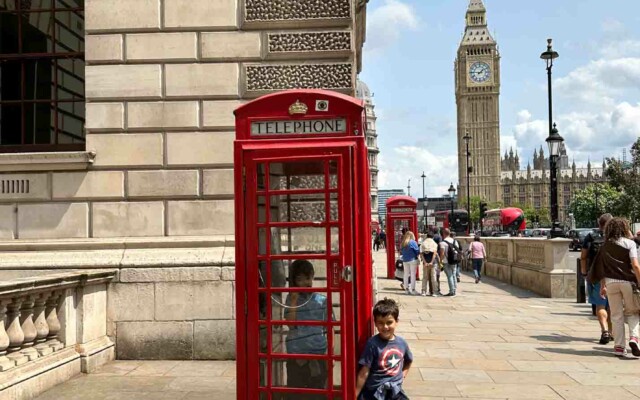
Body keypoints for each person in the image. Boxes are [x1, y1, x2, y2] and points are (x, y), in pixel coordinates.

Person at [589, 217, 640, 357]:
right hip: (628, 282)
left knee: (616, 315)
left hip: (611, 283)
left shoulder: (604, 246)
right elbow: (635, 265)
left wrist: (602, 286)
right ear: (624, 228)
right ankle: (634, 338)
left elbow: (602, 269)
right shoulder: (630, 243)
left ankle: (619, 346)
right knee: (633, 312)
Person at [284, 260, 329, 395]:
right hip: (296, 355)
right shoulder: (291, 300)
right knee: (295, 392)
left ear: (313, 276)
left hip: (317, 354)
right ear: (293, 281)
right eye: (300, 279)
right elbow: (290, 324)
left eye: (308, 278)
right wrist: (293, 300)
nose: (305, 283)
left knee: (317, 391)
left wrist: (330, 355)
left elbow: (330, 327)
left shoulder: (321, 299)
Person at [356, 298, 413, 400]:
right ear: (375, 323)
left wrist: (401, 377)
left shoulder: (402, 343)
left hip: (394, 391)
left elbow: (409, 361)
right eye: (380, 323)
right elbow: (364, 372)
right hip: (374, 391)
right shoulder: (372, 344)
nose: (385, 327)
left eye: (389, 322)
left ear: (396, 321)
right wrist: (355, 394)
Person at [581, 213, 613, 345]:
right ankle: (612, 332)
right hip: (613, 275)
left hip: (595, 275)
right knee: (612, 306)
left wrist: (584, 272)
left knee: (600, 305)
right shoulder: (615, 237)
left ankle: (604, 330)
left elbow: (583, 256)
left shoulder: (590, 236)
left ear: (598, 223)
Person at [420, 232, 440, 296]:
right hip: (433, 263)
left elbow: (421, 254)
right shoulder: (434, 244)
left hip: (425, 263)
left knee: (425, 277)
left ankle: (423, 291)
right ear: (432, 237)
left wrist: (425, 262)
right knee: (433, 277)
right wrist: (431, 262)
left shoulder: (423, 243)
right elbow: (434, 254)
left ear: (427, 236)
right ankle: (434, 292)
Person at [400, 231, 420, 295]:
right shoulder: (413, 242)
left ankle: (406, 289)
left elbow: (401, 251)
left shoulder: (403, 242)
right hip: (412, 260)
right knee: (413, 275)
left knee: (405, 274)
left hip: (405, 260)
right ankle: (413, 290)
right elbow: (417, 251)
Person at [439, 228, 457, 297]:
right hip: (454, 261)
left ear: (443, 234)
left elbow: (442, 254)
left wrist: (440, 262)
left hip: (446, 262)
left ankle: (451, 291)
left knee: (449, 276)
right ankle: (454, 290)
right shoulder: (455, 241)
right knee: (454, 275)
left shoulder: (443, 243)